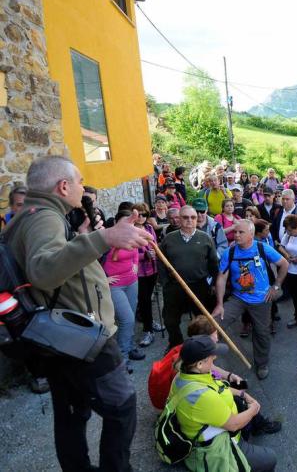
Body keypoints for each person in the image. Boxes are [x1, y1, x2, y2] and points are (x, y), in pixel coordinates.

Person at [2, 155, 150, 471]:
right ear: (63, 185)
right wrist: (103, 237)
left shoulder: (30, 214)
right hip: (81, 337)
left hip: (56, 337)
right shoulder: (44, 218)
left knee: (72, 411)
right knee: (122, 404)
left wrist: (82, 235)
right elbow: (43, 270)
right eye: (80, 181)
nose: (83, 187)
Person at [170, 336, 277, 471]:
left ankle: (254, 430)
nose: (215, 358)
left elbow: (217, 385)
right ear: (199, 364)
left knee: (240, 398)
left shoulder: (183, 376)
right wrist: (253, 409)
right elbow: (234, 424)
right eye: (211, 357)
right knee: (271, 458)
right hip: (215, 445)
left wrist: (242, 394)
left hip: (211, 423)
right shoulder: (203, 397)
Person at [213, 220, 289, 380]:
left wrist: (275, 287)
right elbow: (221, 278)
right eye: (235, 232)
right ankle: (208, 362)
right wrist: (219, 304)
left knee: (261, 333)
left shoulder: (262, 248)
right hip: (238, 297)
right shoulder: (230, 252)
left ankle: (262, 364)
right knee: (214, 324)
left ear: (251, 234)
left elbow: (284, 264)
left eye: (241, 232)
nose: (237, 235)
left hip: (261, 300)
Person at [159, 205, 219, 350]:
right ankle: (176, 345)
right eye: (185, 217)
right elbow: (160, 262)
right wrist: (165, 282)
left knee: (203, 319)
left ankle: (202, 345)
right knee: (170, 320)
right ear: (179, 219)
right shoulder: (169, 239)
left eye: (193, 217)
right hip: (175, 287)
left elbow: (213, 263)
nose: (189, 220)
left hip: (199, 286)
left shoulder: (205, 238)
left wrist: (214, 284)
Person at [102, 210, 146, 370]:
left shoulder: (131, 236)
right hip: (115, 285)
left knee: (131, 317)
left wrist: (135, 263)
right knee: (126, 319)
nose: (130, 226)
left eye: (132, 223)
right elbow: (91, 262)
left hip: (132, 281)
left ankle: (130, 346)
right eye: (126, 223)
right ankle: (122, 357)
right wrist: (103, 279)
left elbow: (135, 252)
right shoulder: (108, 240)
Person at [132, 202, 160, 348]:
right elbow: (130, 252)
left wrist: (155, 253)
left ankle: (150, 322)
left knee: (149, 298)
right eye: (139, 214)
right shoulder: (130, 231)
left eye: (145, 214)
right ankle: (147, 330)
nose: (142, 217)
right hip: (139, 272)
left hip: (152, 269)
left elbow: (154, 243)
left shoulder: (149, 228)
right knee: (143, 300)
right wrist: (145, 256)